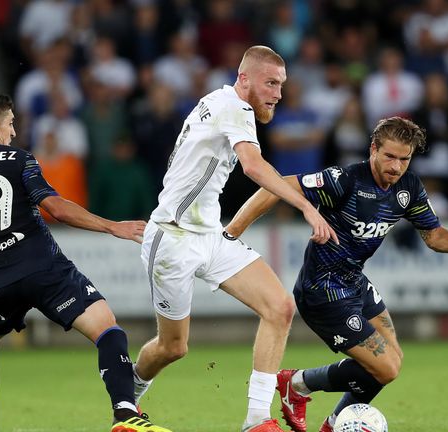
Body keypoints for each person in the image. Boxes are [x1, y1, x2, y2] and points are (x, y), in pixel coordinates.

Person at [0, 91, 171, 432]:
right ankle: (125, 413)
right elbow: (55, 208)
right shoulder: (18, 159)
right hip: (44, 268)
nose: (13, 132)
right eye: (9, 124)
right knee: (108, 329)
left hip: (0, 280)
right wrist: (112, 226)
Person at [224, 117, 448, 432]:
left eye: (404, 159)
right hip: (322, 291)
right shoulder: (346, 180)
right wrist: (231, 234)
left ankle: (330, 420)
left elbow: (434, 237)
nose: (396, 166)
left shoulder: (409, 187)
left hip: (355, 283)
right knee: (387, 368)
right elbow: (277, 185)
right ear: (373, 149)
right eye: (389, 156)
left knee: (391, 360)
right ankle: (296, 384)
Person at [131, 46, 337, 432]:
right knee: (172, 347)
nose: (278, 93)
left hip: (208, 235)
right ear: (244, 78)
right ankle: (127, 397)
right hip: (173, 238)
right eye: (270, 83)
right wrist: (306, 207)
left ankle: (256, 420)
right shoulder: (234, 107)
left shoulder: (222, 102)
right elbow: (254, 166)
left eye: (282, 85)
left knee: (279, 307)